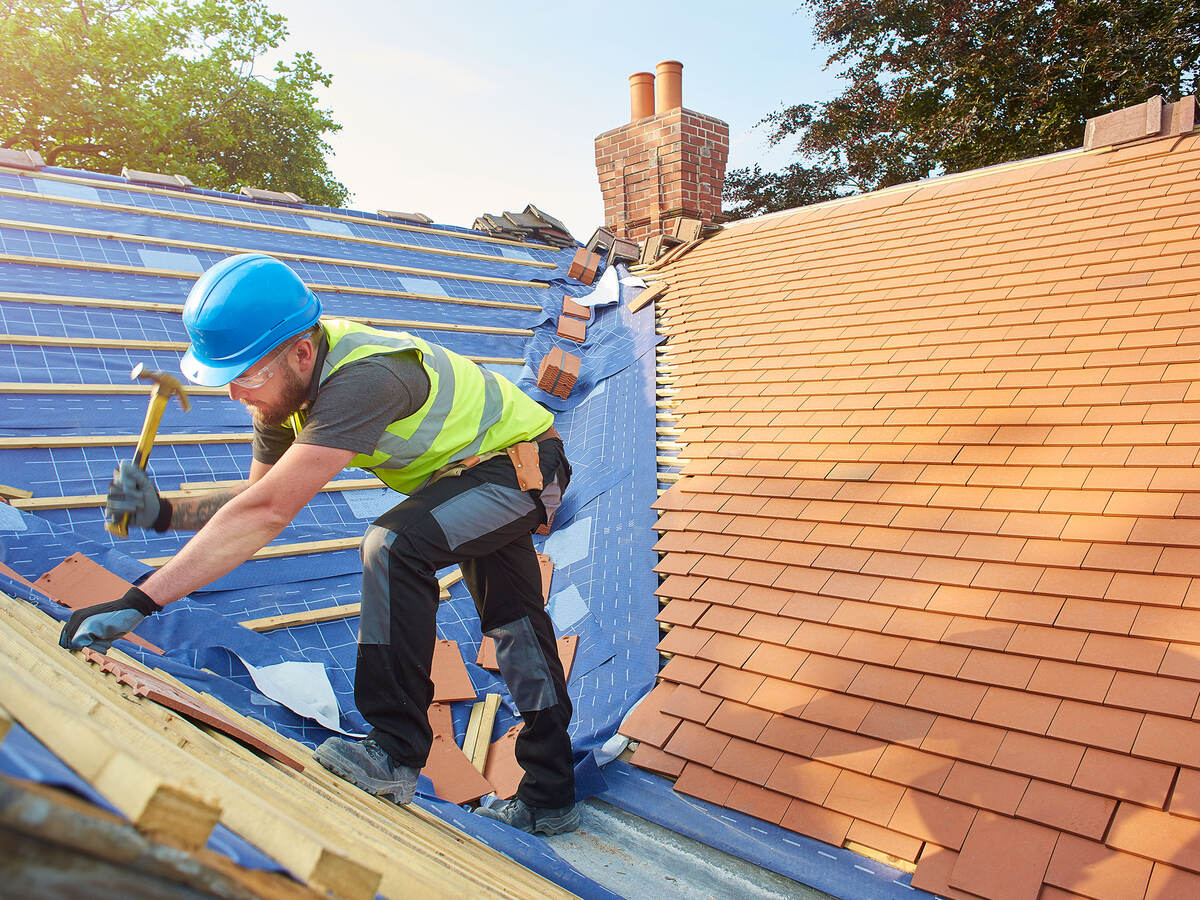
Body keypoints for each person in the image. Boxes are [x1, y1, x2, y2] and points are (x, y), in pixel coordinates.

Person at [60, 253, 579, 835]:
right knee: (515, 627)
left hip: (522, 466)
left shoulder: (365, 379)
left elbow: (265, 514)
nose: (236, 393)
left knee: (393, 546)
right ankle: (550, 795)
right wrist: (163, 513)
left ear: (302, 352)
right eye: (226, 377)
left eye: (247, 375)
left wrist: (139, 602)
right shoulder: (280, 394)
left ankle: (394, 751)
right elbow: (256, 500)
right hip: (469, 475)